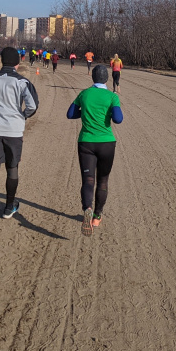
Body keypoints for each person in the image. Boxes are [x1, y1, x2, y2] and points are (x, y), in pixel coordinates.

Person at [0, 47, 39, 236]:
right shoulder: (22, 81)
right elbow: (33, 105)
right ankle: (8, 207)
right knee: (12, 169)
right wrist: (21, 116)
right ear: (18, 62)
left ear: (1, 61)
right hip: (13, 131)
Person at [66, 65, 123, 236]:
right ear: (106, 79)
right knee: (103, 180)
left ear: (93, 78)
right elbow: (118, 119)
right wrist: (108, 113)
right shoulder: (112, 96)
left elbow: (70, 114)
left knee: (88, 180)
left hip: (86, 143)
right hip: (106, 143)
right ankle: (97, 217)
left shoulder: (84, 94)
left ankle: (87, 208)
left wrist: (85, 114)